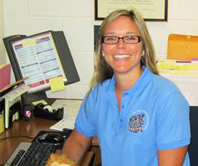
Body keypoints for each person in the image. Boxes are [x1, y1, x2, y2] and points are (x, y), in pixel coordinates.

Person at [62, 8, 191, 166]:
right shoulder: (97, 94)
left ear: (143, 48)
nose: (120, 45)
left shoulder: (168, 99)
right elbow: (78, 141)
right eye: (111, 38)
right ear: (102, 49)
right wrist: (60, 163)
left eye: (130, 38)